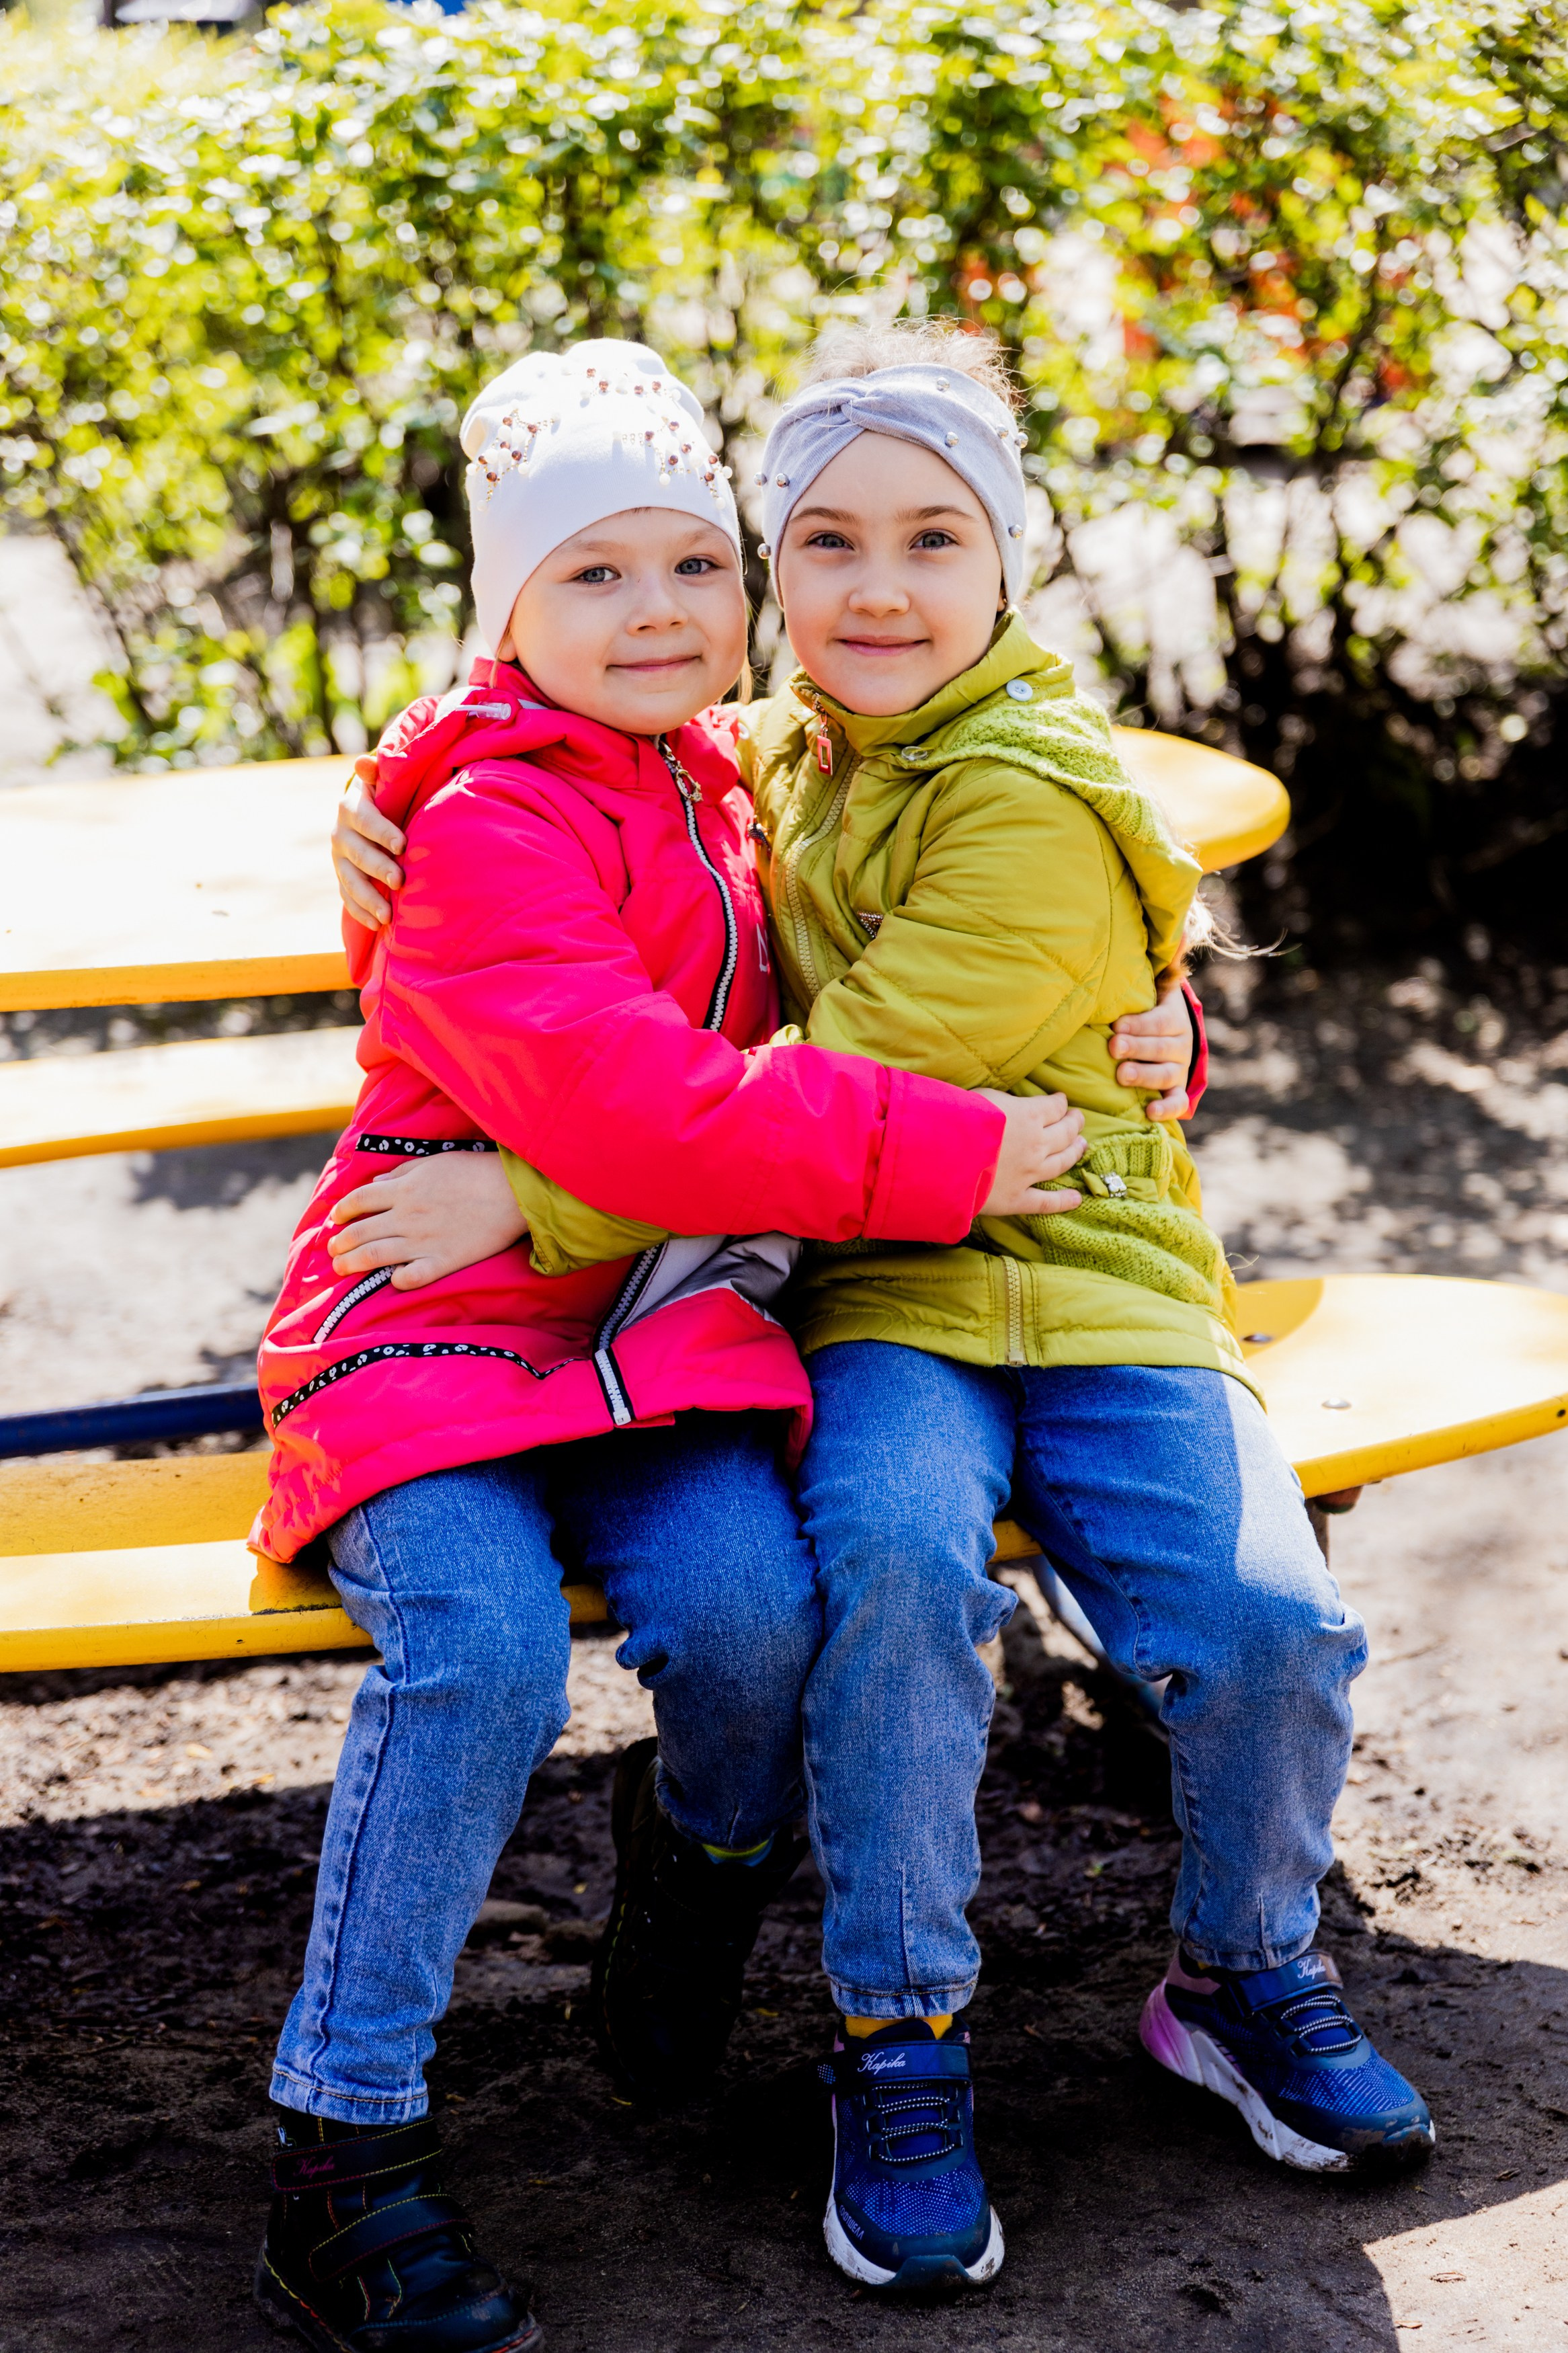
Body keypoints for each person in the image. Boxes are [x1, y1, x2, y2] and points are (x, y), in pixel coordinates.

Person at [330, 321, 1433, 2298]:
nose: (876, 587)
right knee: (904, 1572)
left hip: (1086, 1280)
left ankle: (1245, 1963)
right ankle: (895, 2033)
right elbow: (579, 773)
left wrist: (535, 1185)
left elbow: (821, 1057)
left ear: (1012, 561)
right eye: (822, 543)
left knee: (1274, 1618)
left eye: (934, 539)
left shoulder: (1011, 795)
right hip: (862, 1292)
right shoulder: (769, 753)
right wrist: (399, 777)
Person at [248, 335, 1161, 2352]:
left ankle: (689, 1876)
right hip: (432, 1331)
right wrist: (958, 1151)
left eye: (691, 567)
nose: (655, 611)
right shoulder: (488, 821)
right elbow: (657, 1115)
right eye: (590, 577)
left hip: (652, 1330)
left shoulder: (730, 762)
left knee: (756, 1611)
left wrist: (1158, 1024)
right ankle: (343, 2142)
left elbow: (996, 931)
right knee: (480, 1644)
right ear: (506, 610)